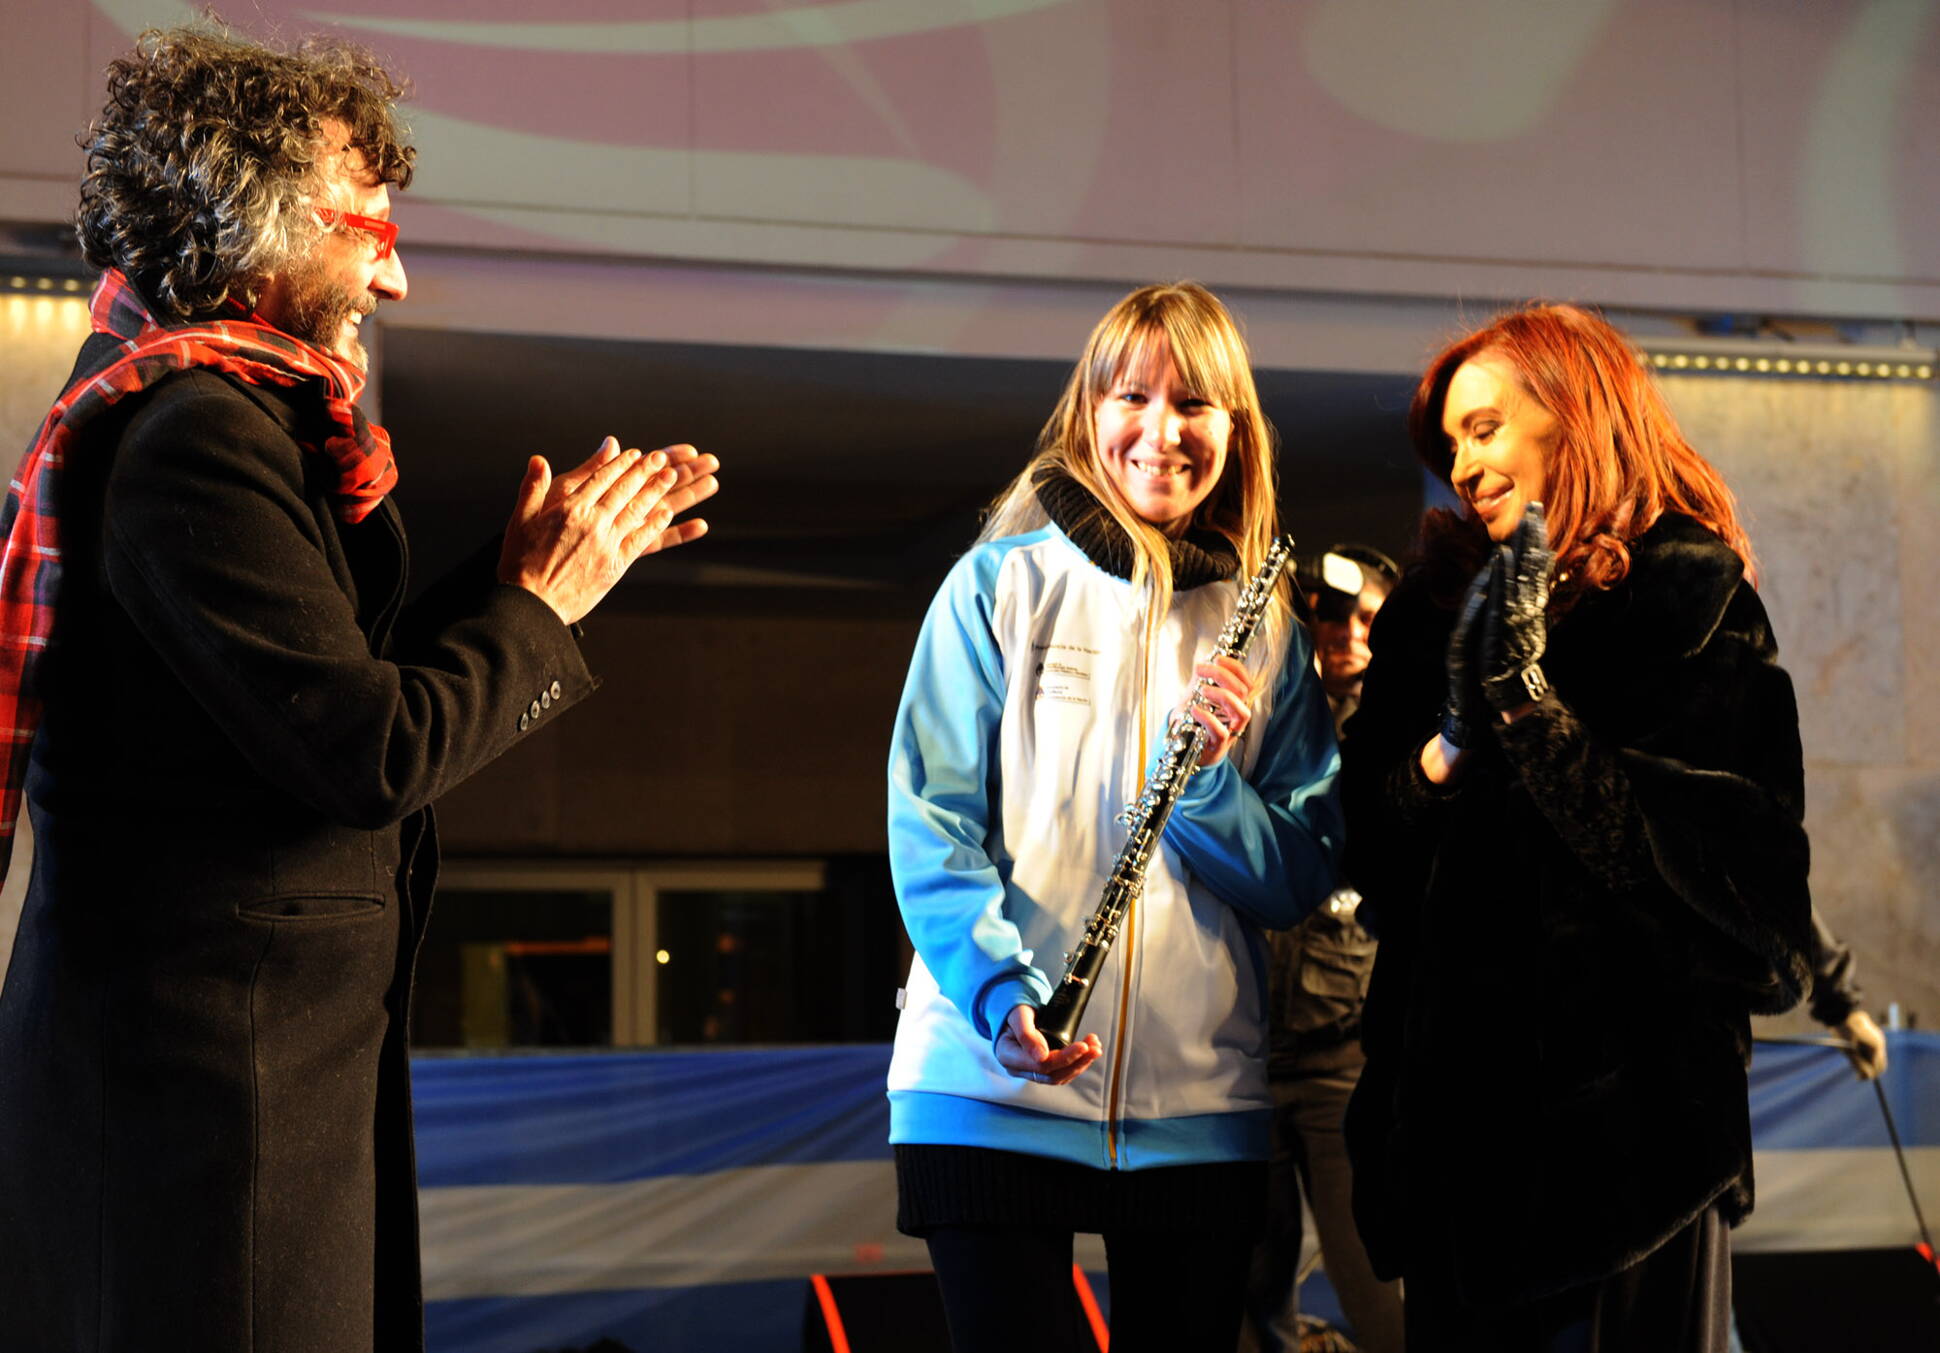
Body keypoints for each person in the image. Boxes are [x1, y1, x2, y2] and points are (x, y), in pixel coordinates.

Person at [0, 25, 718, 1353]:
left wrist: (502, 588)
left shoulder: (214, 419)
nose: (393, 272)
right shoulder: (193, 437)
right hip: (207, 1107)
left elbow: (314, 691)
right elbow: (363, 753)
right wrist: (539, 604)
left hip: (244, 1086)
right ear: (254, 228)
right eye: (367, 226)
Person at [1341, 303, 1813, 1352]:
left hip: (1633, 1151)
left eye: (1485, 427)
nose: (1461, 466)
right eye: (1450, 441)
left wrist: (1530, 712)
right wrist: (1446, 749)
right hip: (1455, 1155)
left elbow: (1735, 899)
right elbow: (1360, 851)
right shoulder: (1428, 614)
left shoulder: (1689, 598)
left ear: (1575, 413)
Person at [885, 281, 1344, 1351]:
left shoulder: (1262, 627)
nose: (1160, 430)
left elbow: (1298, 875)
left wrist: (1206, 790)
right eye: (1129, 395)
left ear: (1235, 429)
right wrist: (1000, 994)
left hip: (1198, 1106)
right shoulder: (997, 586)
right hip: (987, 1078)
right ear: (1086, 411)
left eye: (1194, 404)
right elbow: (931, 820)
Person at [1244, 547, 1405, 1353]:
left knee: (1383, 1292)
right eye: (1331, 614)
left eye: (1368, 618)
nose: (1346, 631)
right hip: (1244, 1061)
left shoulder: (1397, 734)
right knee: (1250, 1305)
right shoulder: (1269, 723)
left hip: (1347, 1064)